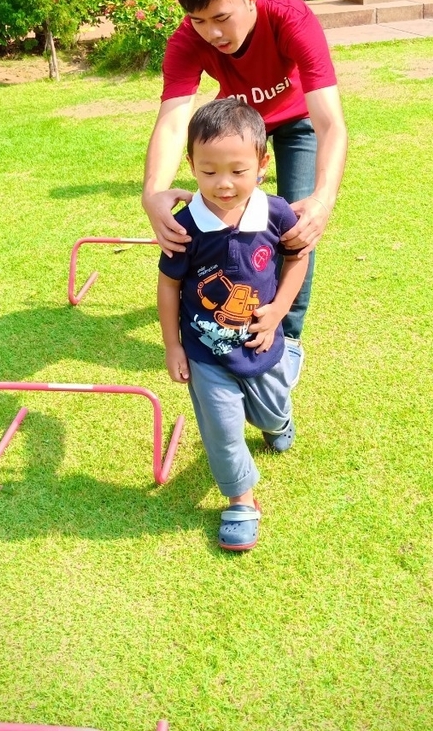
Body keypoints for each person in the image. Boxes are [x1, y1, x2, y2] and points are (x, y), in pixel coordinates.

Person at [143, 0, 347, 368]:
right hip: (241, 123)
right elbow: (174, 120)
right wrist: (153, 192)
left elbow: (330, 122)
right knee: (222, 217)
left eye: (221, 17)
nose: (211, 33)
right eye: (198, 20)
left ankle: (288, 336)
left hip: (299, 119)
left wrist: (324, 198)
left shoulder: (290, 16)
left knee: (297, 226)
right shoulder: (187, 40)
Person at [157, 99, 309, 551]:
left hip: (261, 345)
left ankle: (278, 415)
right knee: (222, 431)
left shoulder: (276, 213)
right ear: (191, 166)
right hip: (206, 354)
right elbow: (168, 286)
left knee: (270, 413)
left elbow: (297, 258)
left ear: (262, 164)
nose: (223, 184)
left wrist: (279, 311)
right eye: (209, 171)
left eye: (237, 171)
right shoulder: (184, 227)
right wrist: (172, 345)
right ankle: (241, 501)